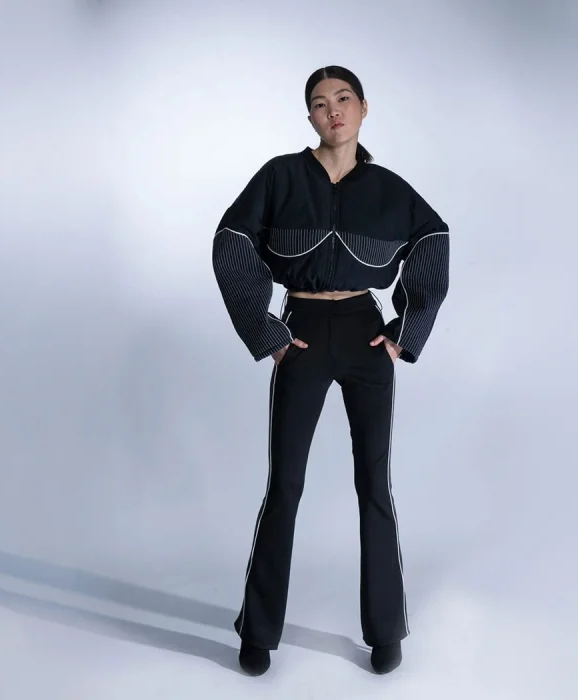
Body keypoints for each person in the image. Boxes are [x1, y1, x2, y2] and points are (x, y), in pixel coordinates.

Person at [212, 65, 450, 676]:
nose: (333, 111)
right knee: (284, 487)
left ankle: (385, 631)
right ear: (310, 117)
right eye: (320, 103)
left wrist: (403, 334)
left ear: (364, 108)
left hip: (366, 334)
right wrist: (269, 334)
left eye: (343, 99)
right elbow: (231, 241)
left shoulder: (388, 188)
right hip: (303, 334)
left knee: (375, 485)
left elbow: (433, 238)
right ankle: (258, 631)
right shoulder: (280, 176)